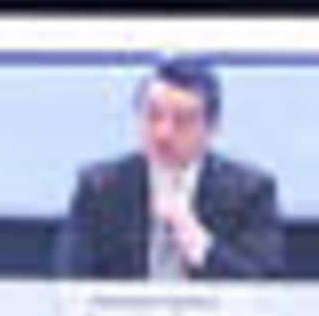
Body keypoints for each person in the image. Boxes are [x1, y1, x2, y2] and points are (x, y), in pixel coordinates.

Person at [55, 57, 285, 280]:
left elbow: (263, 287)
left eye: (182, 120)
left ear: (212, 127)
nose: (163, 133)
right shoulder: (100, 188)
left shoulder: (250, 192)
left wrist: (196, 241)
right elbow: (69, 283)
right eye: (153, 116)